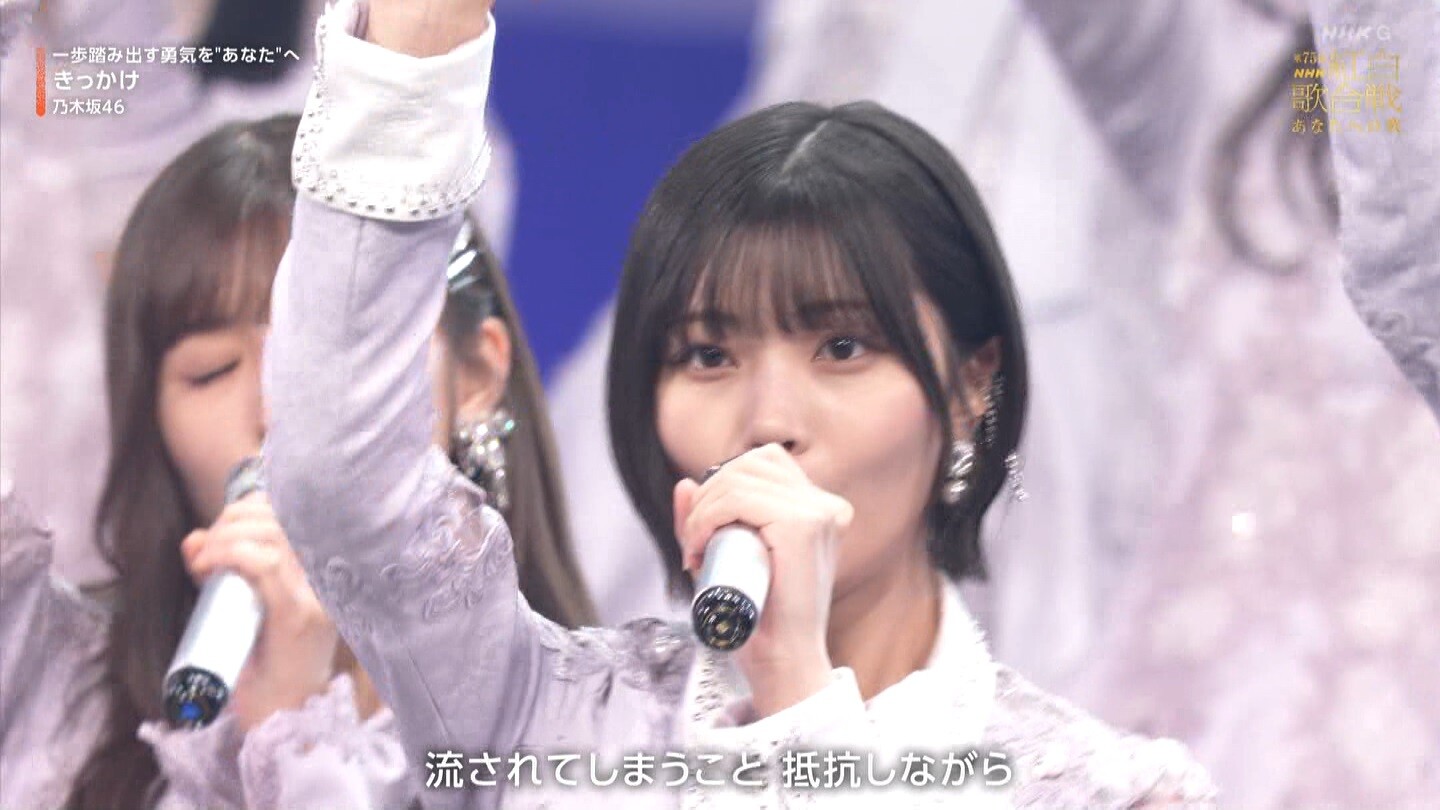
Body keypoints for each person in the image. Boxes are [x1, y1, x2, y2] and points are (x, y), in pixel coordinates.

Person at [264, 1, 1216, 807]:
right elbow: (344, 479)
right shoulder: (542, 713)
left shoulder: (1111, 792)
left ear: (974, 386)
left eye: (843, 348)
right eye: (709, 355)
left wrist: (797, 694)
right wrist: (414, 45)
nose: (768, 420)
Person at [0, 113, 593, 810]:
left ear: (475, 376)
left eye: (330, 351)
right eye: (212, 370)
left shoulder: (605, 735)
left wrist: (296, 735)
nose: (272, 409)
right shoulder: (54, 706)